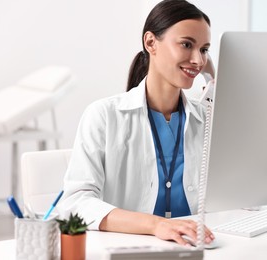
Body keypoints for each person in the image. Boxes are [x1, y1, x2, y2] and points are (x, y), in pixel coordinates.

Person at [59, 0, 215, 246]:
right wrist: (156, 225)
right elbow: (75, 203)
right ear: (151, 42)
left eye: (204, 49)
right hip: (131, 248)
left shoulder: (207, 118)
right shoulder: (104, 115)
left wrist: (215, 82)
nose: (198, 60)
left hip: (198, 247)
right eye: (187, 44)